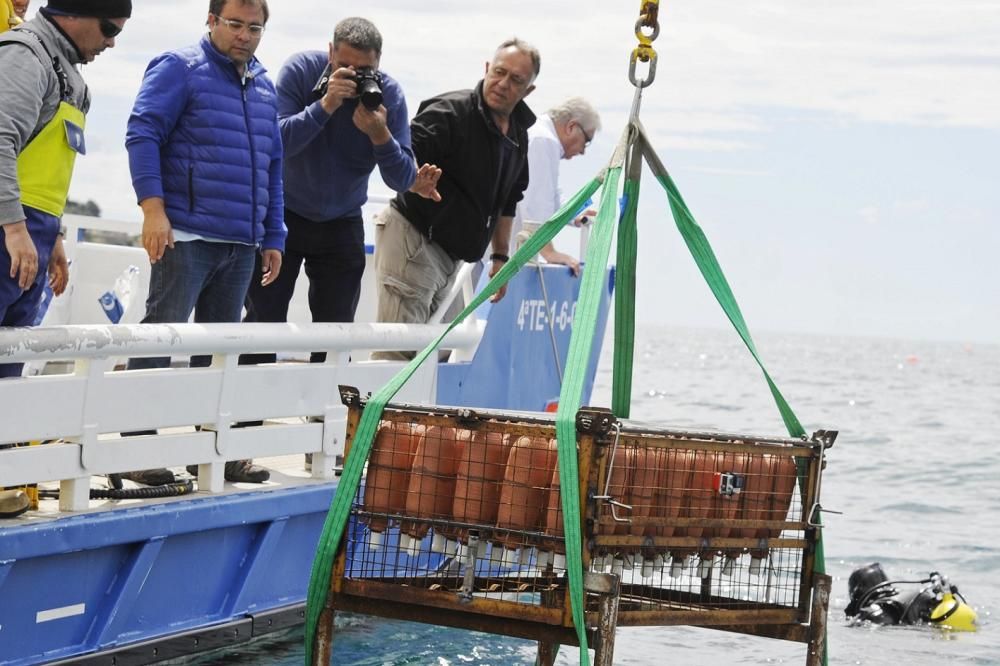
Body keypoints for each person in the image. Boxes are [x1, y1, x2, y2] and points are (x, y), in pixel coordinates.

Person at [121, 0, 285, 485]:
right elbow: (141, 132)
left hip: (241, 241)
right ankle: (135, 447)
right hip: (186, 234)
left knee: (221, 349)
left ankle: (214, 449)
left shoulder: (264, 85)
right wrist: (153, 209)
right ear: (211, 21)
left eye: (254, 28)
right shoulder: (179, 68)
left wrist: (272, 233)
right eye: (235, 24)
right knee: (161, 336)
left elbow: (273, 166)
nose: (245, 36)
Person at [244, 16, 437, 363]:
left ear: (378, 63)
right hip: (282, 215)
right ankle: (244, 417)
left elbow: (401, 178)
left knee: (337, 332)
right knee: (262, 320)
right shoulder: (302, 70)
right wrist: (325, 106)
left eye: (365, 70)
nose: (355, 76)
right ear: (330, 52)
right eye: (345, 66)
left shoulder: (387, 94)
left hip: (341, 220)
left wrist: (380, 136)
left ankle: (327, 415)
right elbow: (275, 142)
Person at [372, 38, 538, 357]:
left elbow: (509, 199)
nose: (503, 84)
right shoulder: (450, 113)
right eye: (499, 72)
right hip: (414, 240)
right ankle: (371, 409)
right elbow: (402, 158)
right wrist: (415, 179)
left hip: (451, 258)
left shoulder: (517, 135)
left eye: (516, 79)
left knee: (435, 356)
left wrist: (500, 257)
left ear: (528, 90)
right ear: (487, 68)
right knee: (396, 354)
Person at [0, 0, 131, 379]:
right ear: (73, 12)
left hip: (30, 238)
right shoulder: (26, 56)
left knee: (10, 362)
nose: (111, 43)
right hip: (12, 233)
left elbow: (46, 168)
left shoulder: (68, 76)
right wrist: (14, 228)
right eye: (110, 29)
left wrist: (52, 235)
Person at [512, 96, 601, 276]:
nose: (583, 151)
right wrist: (549, 252)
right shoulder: (544, 140)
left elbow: (549, 193)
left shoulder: (540, 135)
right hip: (498, 253)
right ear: (571, 127)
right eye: (587, 141)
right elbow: (536, 204)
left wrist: (574, 213)